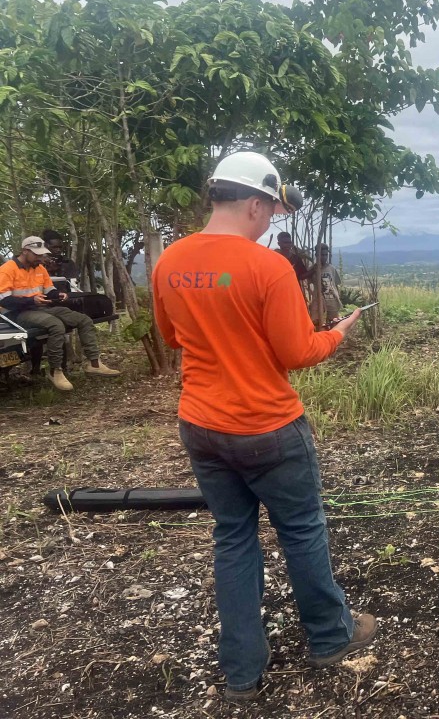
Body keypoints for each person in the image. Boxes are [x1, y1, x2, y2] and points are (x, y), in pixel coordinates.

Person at [151, 151, 376, 704]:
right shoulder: (267, 267)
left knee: (232, 536)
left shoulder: (169, 261)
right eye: (271, 210)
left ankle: (242, 671)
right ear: (254, 203)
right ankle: (330, 636)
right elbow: (298, 352)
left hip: (200, 424)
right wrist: (339, 332)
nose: (271, 220)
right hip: (268, 428)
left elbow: (173, 338)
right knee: (301, 530)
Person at [0, 236, 121, 391]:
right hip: (16, 314)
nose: (40, 258)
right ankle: (55, 371)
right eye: (37, 254)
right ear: (25, 251)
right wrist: (31, 301)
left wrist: (58, 295)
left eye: (41, 254)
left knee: (83, 320)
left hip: (40, 308)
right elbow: (5, 301)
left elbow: (49, 289)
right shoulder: (7, 269)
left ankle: (94, 364)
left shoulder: (39, 268)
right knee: (56, 325)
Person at [312, 243, 344, 325]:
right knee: (317, 322)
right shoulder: (313, 269)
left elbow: (335, 285)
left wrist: (338, 297)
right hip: (319, 300)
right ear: (316, 255)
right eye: (322, 255)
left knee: (333, 322)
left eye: (326, 255)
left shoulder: (331, 269)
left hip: (331, 300)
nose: (324, 257)